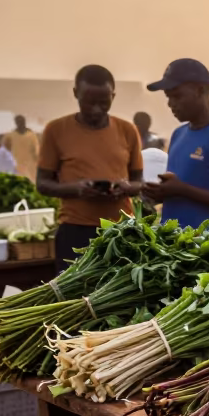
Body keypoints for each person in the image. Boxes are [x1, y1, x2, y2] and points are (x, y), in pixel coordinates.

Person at [37, 64, 144, 268]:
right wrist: (77, 189)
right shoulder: (56, 130)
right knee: (74, 288)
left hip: (120, 229)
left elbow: (138, 181)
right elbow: (42, 183)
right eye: (89, 102)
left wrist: (125, 188)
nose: (96, 109)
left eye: (104, 102)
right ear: (75, 93)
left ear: (113, 96)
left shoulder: (127, 130)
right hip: (75, 230)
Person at [143, 59, 209, 229]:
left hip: (205, 243)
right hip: (172, 240)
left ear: (200, 91)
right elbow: (180, 188)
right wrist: (160, 193)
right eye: (168, 97)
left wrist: (182, 190)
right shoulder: (178, 134)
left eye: (177, 96)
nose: (170, 103)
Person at [4, 115, 40, 180]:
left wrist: (37, 160)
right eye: (18, 122)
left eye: (22, 121)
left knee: (31, 180)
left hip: (30, 163)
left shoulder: (32, 135)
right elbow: (6, 147)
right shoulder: (11, 135)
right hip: (17, 162)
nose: (20, 123)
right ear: (16, 123)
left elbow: (36, 150)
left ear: (24, 122)